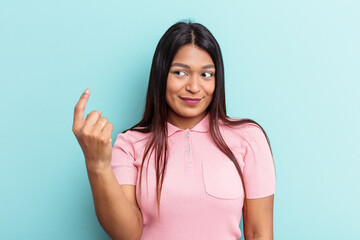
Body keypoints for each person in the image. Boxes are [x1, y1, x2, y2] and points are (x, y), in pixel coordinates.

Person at [72, 21, 275, 240]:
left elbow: (259, 233)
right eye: (180, 73)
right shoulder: (130, 144)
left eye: (206, 75)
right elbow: (127, 235)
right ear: (161, 75)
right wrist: (97, 164)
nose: (194, 87)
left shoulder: (248, 138)